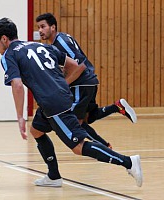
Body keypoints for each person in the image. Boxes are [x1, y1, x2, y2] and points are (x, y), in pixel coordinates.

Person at [0, 17, 143, 188]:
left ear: (4, 39)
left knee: (78, 147)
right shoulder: (40, 45)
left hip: (53, 103)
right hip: (56, 98)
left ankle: (129, 162)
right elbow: (74, 65)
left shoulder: (9, 54)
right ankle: (53, 176)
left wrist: (20, 116)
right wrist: (58, 81)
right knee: (37, 131)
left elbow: (17, 85)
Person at [31, 12, 138, 186]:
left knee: (77, 124)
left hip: (82, 84)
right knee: (89, 117)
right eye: (38, 28)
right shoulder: (59, 41)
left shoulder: (61, 41)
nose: (40, 31)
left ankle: (106, 147)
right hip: (87, 83)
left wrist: (62, 84)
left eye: (43, 27)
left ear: (53, 27)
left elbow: (79, 65)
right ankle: (116, 107)